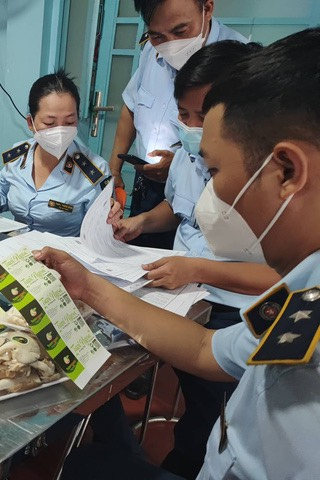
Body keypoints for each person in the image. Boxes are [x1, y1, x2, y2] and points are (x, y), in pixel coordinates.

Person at [37, 27, 320, 479]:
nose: (211, 196)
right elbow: (208, 349)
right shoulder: (307, 290)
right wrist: (89, 286)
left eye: (216, 170)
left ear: (287, 169)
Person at [112, 40, 280, 478]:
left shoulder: (267, 179)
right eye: (182, 115)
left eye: (202, 117)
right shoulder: (190, 154)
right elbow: (180, 208)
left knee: (215, 409)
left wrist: (200, 268)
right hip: (185, 292)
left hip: (231, 305)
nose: (190, 127)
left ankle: (189, 456)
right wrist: (141, 223)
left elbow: (284, 276)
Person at [108, 0, 245, 249]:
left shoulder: (239, 64)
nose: (170, 44)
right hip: (162, 188)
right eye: (157, 35)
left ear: (208, 7)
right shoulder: (152, 50)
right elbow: (132, 104)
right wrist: (115, 171)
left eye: (180, 31)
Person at [0, 70, 120, 237]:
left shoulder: (94, 171)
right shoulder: (17, 155)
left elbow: (98, 234)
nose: (60, 131)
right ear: (30, 122)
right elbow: (3, 195)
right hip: (16, 247)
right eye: (50, 123)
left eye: (69, 122)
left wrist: (110, 222)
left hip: (64, 256)